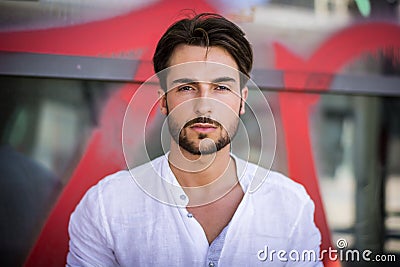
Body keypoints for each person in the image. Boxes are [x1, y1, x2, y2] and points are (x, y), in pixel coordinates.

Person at [67, 13, 322, 266]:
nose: (204, 106)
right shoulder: (106, 207)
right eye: (186, 87)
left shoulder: (290, 206)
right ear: (164, 101)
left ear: (242, 100)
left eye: (221, 88)